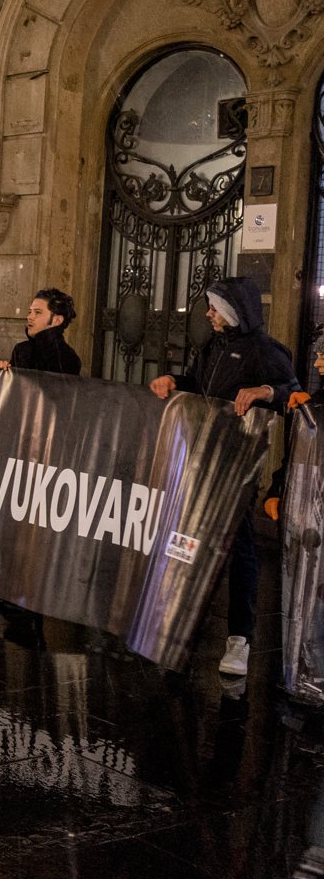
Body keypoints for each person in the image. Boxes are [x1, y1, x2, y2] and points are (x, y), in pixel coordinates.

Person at [150, 276, 299, 676]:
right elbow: (198, 384)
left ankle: (240, 639)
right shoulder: (212, 347)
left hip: (239, 469)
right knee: (186, 543)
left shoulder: (265, 351)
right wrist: (175, 382)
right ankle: (179, 626)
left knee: (240, 551)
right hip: (201, 462)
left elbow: (294, 394)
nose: (208, 314)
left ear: (234, 312)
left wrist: (265, 390)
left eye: (214, 308)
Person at [0, 288, 81, 374]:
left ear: (57, 320)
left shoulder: (67, 358)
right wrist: (3, 371)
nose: (29, 317)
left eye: (38, 312)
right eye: (29, 312)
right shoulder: (21, 349)